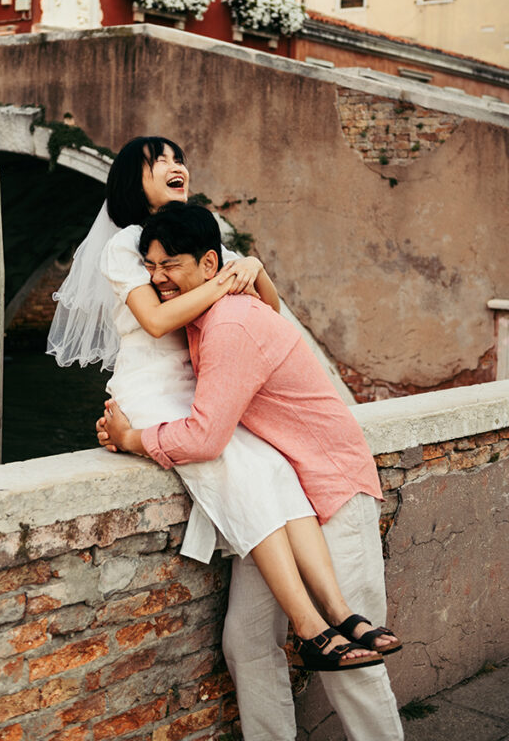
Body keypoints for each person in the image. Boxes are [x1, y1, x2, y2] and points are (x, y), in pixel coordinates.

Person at [98, 200, 405, 741]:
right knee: (246, 642)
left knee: (351, 665)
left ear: (210, 266)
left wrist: (132, 437)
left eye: (171, 265)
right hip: (278, 497)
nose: (158, 278)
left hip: (329, 491)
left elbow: (205, 437)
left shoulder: (228, 322)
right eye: (150, 267)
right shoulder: (212, 313)